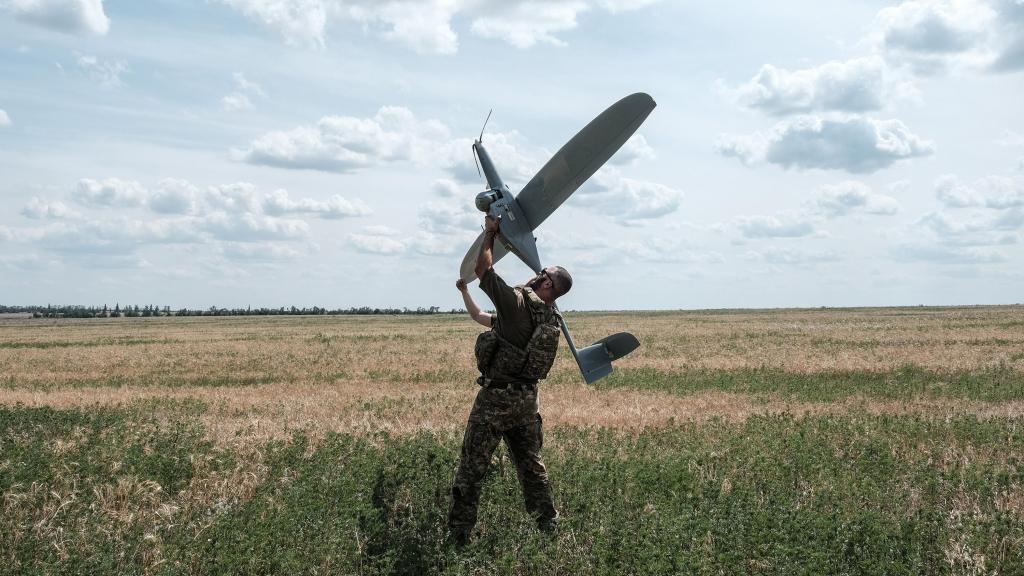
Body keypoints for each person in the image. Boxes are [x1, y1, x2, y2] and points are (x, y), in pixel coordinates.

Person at [448, 214, 573, 546]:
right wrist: (464, 294)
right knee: (532, 469)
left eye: (541, 274)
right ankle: (548, 529)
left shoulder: (517, 304)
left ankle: (459, 535)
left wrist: (489, 234)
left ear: (548, 285)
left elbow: (483, 271)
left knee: (472, 470)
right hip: (527, 404)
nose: (535, 275)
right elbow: (481, 318)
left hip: (495, 403)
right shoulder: (548, 317)